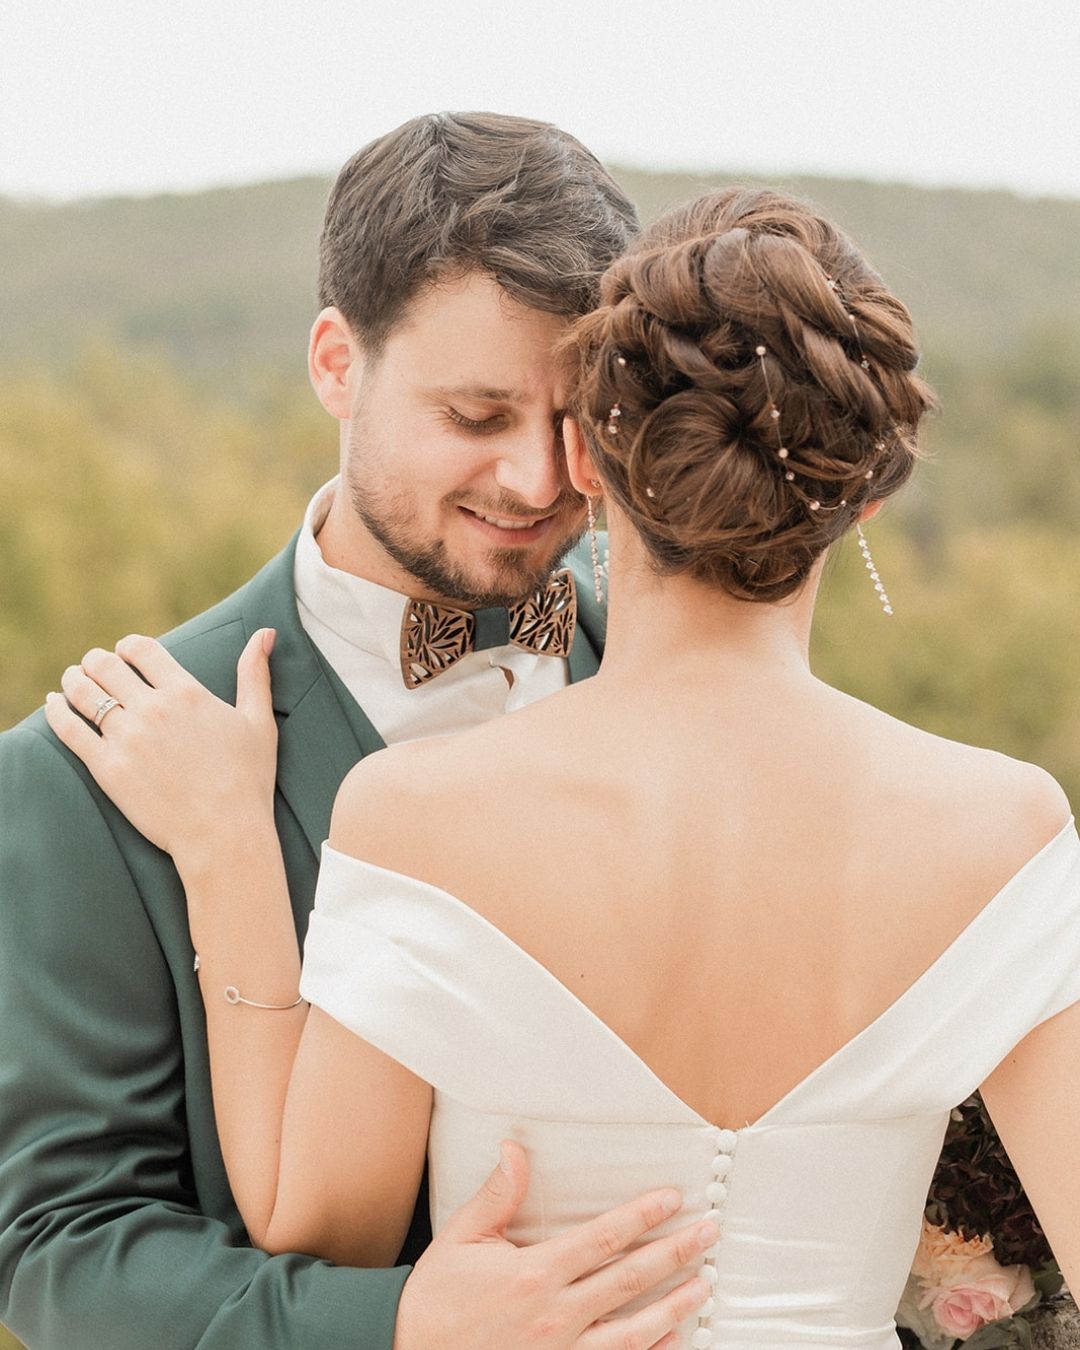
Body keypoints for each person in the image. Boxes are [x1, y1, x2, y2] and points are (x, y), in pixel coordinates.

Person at [42, 186, 1080, 1347]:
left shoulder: (414, 817)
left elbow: (315, 1233)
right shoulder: (1008, 827)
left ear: (586, 453)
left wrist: (230, 855)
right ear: (872, 492)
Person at [0, 112, 724, 1350]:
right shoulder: (81, 774)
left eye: (575, 420)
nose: (540, 482)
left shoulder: (702, 686)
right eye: (479, 415)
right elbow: (63, 1253)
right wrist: (394, 1325)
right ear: (338, 362)